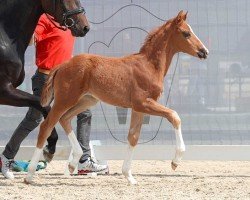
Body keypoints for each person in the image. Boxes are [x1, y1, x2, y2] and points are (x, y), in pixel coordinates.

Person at [0, 14, 108, 179]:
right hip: (45, 79)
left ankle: (83, 161)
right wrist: (30, 33)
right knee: (34, 119)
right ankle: (6, 157)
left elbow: (62, 48)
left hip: (67, 80)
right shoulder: (45, 19)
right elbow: (31, 39)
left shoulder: (67, 22)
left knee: (84, 112)